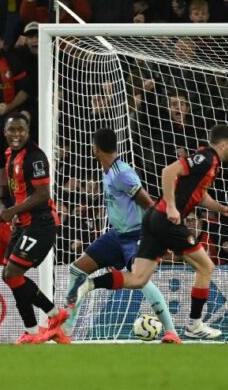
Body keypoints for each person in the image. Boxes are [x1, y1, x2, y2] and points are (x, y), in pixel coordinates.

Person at [79, 124, 228, 340]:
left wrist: (221, 209)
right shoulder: (207, 158)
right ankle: (194, 325)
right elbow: (168, 171)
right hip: (166, 218)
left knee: (138, 279)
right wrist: (173, 206)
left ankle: (89, 284)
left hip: (153, 218)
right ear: (223, 144)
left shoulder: (212, 165)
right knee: (206, 266)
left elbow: (199, 196)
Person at [46, 128, 180, 344]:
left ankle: (171, 331)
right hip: (118, 235)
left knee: (141, 280)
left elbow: (149, 204)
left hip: (138, 234)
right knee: (77, 269)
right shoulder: (107, 171)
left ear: (96, 148)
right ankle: (66, 332)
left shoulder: (122, 173)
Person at [0, 113, 66, 344]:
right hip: (23, 223)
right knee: (10, 277)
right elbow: (19, 191)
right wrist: (16, 213)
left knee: (13, 274)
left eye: (20, 130)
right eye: (12, 130)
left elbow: (43, 195)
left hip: (41, 224)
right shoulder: (9, 154)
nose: (16, 134)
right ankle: (34, 332)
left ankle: (55, 314)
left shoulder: (35, 157)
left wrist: (12, 211)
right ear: (4, 132)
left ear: (28, 132)